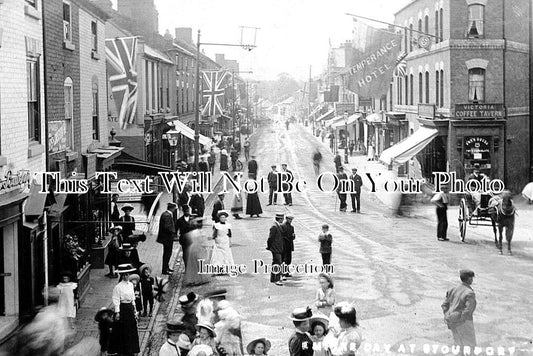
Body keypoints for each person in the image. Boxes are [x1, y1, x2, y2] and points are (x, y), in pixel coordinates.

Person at [441, 269, 477, 355]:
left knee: (458, 345)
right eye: (471, 278)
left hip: (452, 321)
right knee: (470, 345)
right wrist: (461, 320)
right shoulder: (469, 293)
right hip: (464, 322)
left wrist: (448, 316)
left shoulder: (453, 289)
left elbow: (444, 305)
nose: (472, 280)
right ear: (469, 279)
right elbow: (468, 310)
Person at [108, 264, 140, 355]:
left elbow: (133, 298)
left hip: (130, 308)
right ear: (122, 275)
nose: (126, 276)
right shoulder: (118, 287)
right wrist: (117, 312)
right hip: (123, 309)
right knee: (123, 330)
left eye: (127, 274)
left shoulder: (130, 285)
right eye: (124, 275)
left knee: (131, 329)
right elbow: (116, 299)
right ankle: (123, 350)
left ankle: (131, 349)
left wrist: (135, 309)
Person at [183, 218, 211, 287]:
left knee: (193, 265)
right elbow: (204, 242)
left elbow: (187, 239)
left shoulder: (191, 233)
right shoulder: (201, 233)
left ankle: (194, 278)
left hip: (192, 248)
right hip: (200, 249)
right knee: (201, 263)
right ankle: (201, 278)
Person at [157, 202, 178, 275]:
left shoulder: (166, 214)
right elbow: (167, 227)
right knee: (167, 254)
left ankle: (167, 267)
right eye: (174, 208)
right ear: (171, 208)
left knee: (167, 253)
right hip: (167, 238)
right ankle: (165, 270)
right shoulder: (167, 215)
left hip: (166, 238)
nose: (175, 210)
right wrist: (173, 233)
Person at [267, 213, 285, 286]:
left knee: (275, 263)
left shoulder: (277, 225)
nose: (283, 220)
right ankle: (277, 279)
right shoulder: (274, 227)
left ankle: (273, 278)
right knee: (278, 263)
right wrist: (269, 246)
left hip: (277, 247)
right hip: (275, 248)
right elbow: (270, 238)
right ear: (280, 219)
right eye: (282, 219)